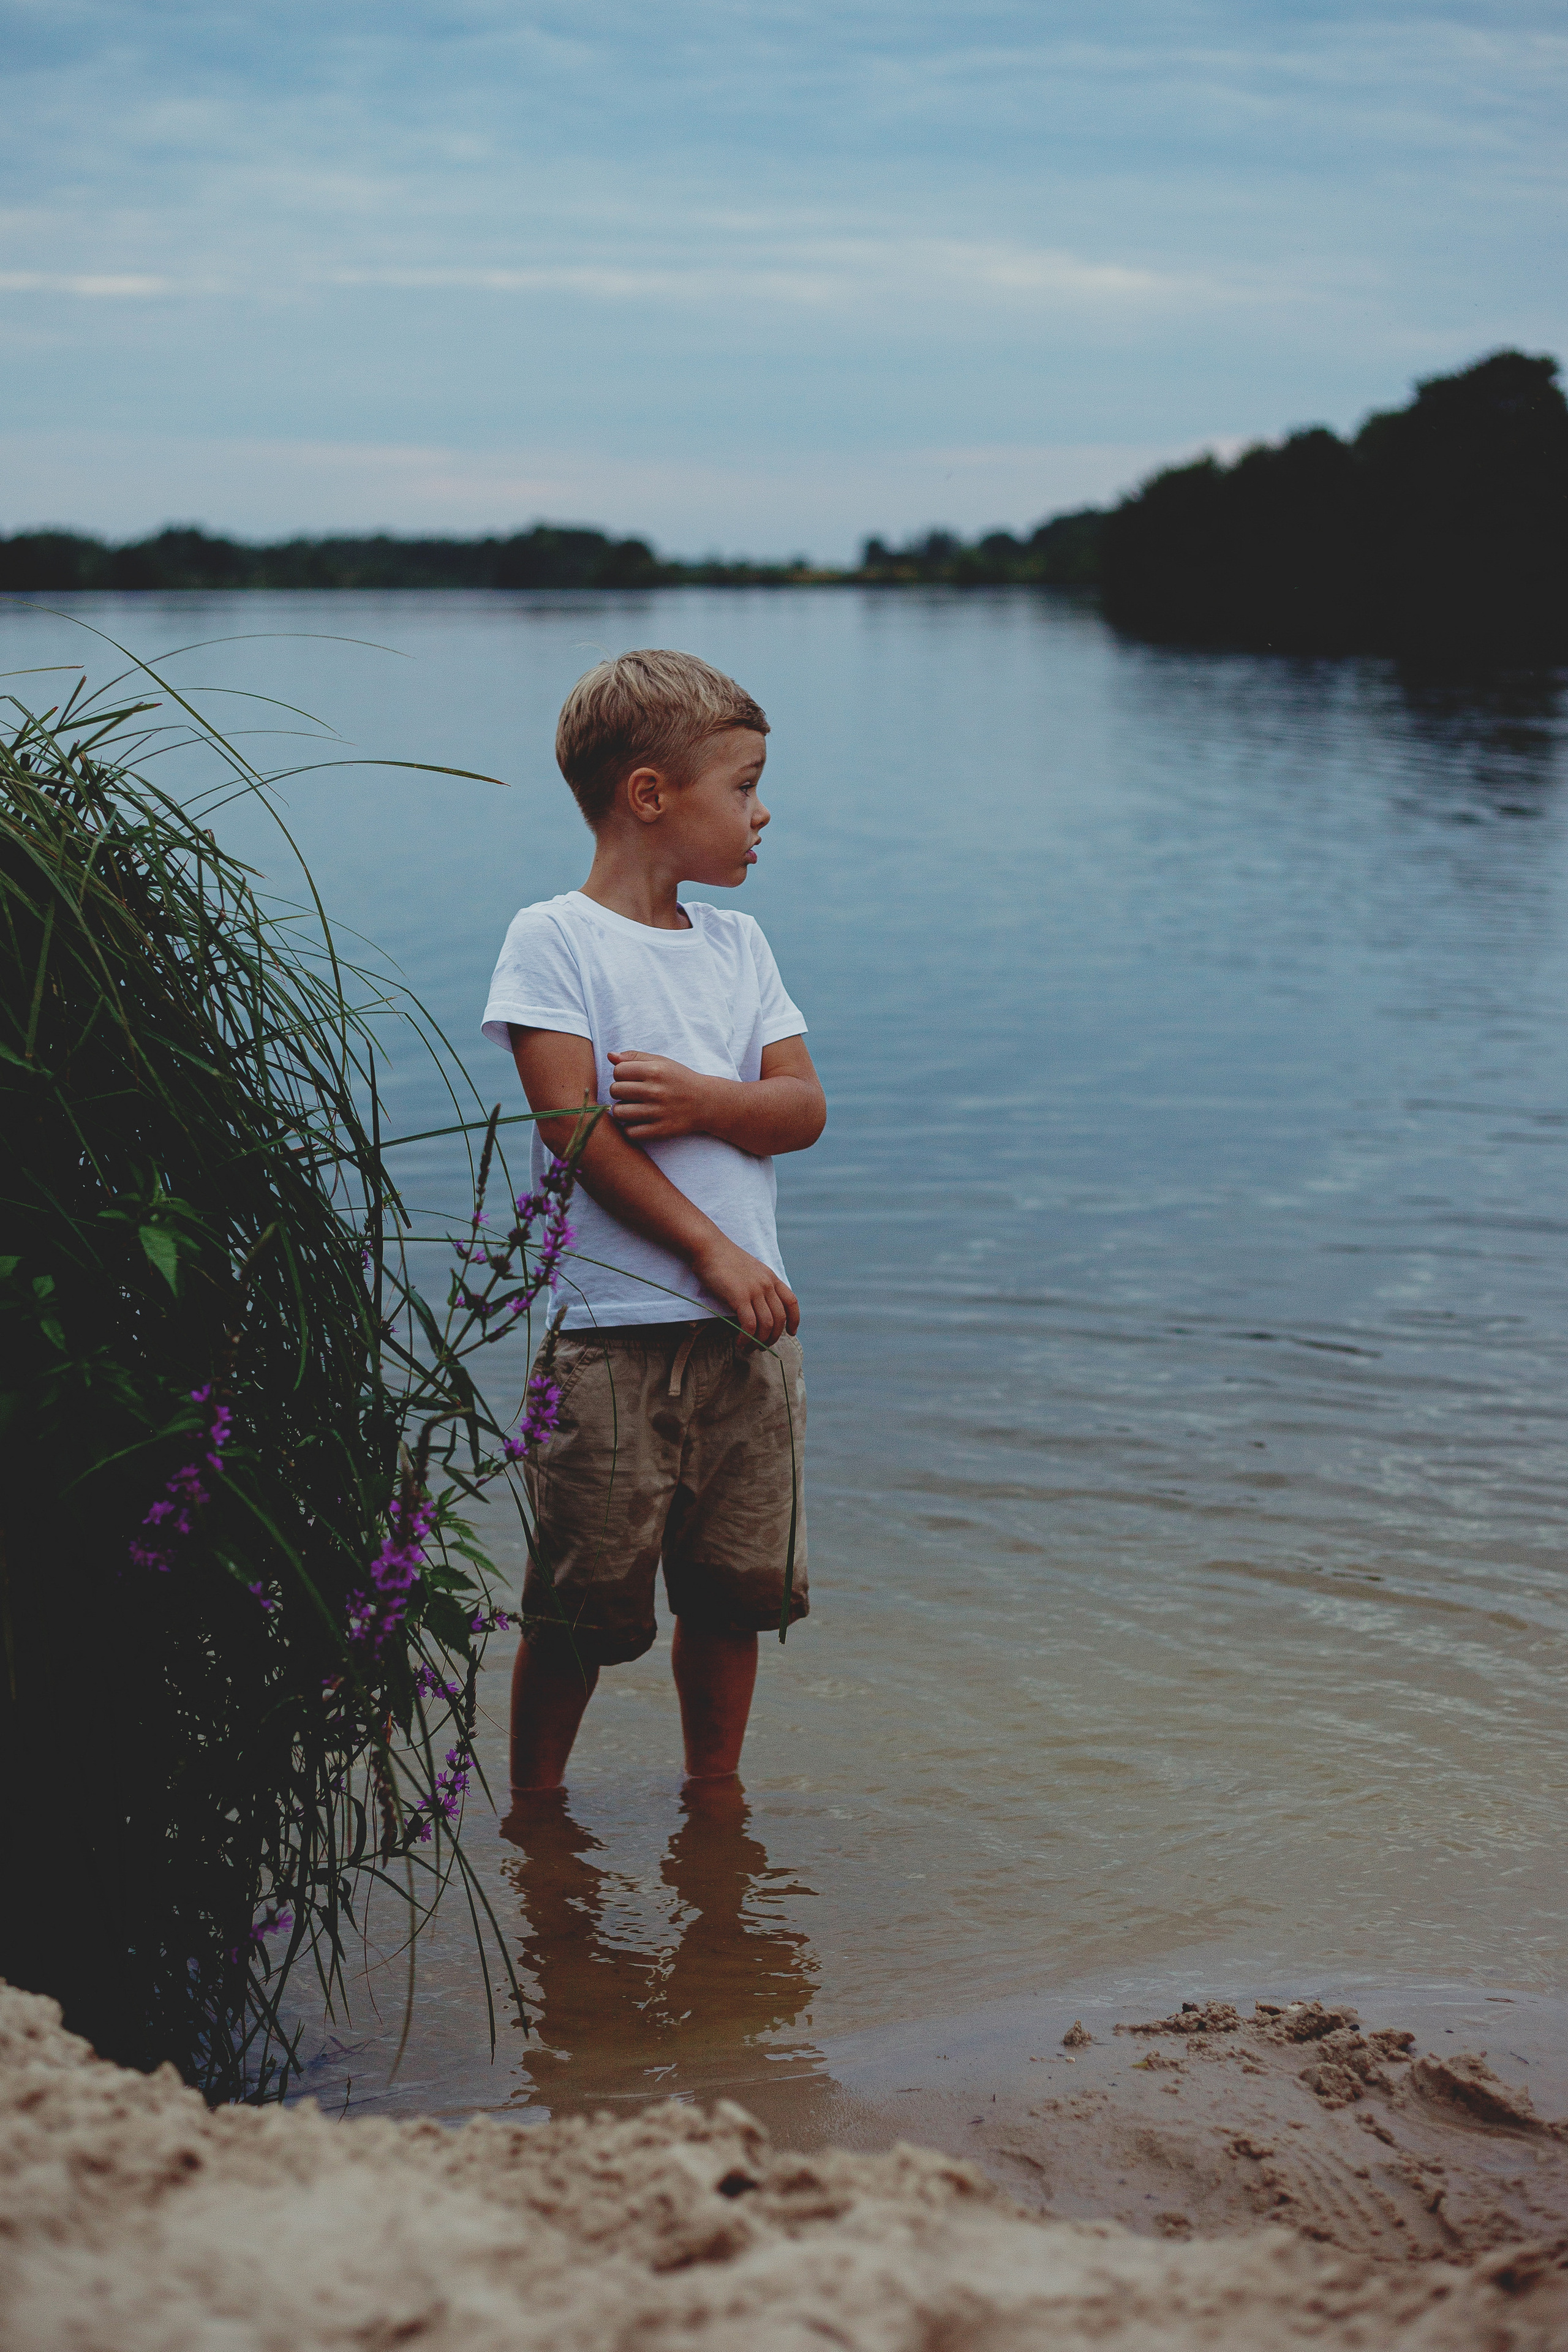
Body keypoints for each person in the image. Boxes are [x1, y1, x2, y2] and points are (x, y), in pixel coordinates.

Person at [480, 648, 826, 1797]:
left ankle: (712, 1798)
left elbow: (801, 1109)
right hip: (612, 1342)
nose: (762, 810)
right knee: (581, 1603)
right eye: (743, 784)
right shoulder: (555, 940)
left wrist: (706, 1100)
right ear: (649, 795)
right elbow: (575, 1129)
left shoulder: (741, 947)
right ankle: (538, 1809)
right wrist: (710, 1250)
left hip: (747, 1340)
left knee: (735, 1595)